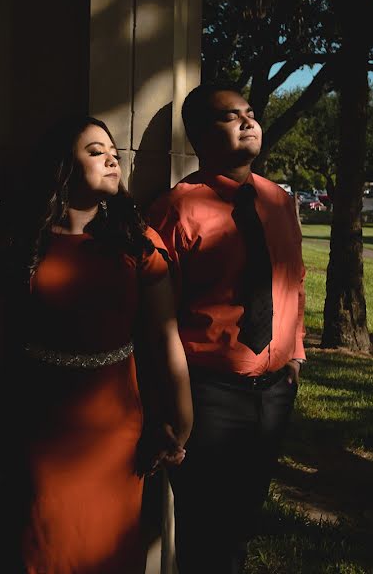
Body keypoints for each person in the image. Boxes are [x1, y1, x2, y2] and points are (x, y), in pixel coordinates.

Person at [0, 116, 193, 573]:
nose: (112, 156)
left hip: (116, 428)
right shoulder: (19, 243)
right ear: (62, 167)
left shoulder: (139, 243)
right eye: (95, 151)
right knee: (41, 546)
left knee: (110, 549)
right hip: (39, 425)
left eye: (114, 150)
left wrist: (181, 419)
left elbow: (164, 335)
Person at [148, 83, 307, 573]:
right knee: (205, 532)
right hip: (208, 394)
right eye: (229, 116)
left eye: (251, 113)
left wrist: (295, 358)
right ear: (198, 136)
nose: (247, 121)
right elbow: (157, 316)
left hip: (275, 390)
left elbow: (293, 284)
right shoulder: (176, 209)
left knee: (241, 524)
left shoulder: (280, 201)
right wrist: (174, 401)